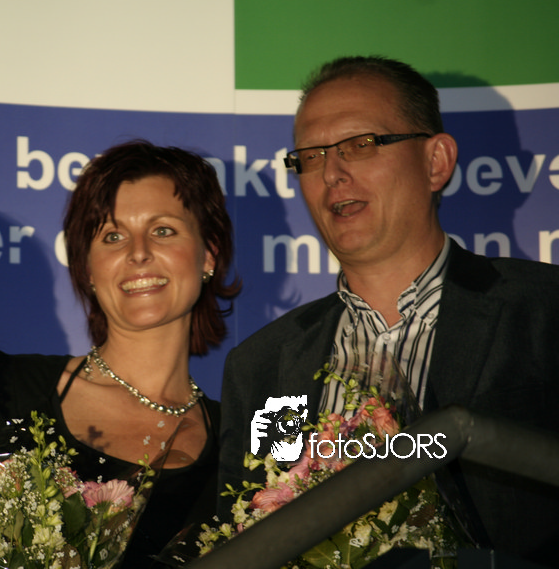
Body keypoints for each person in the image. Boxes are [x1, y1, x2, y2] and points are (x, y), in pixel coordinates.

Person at [219, 56, 559, 566]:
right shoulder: (263, 367)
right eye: (310, 156)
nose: (332, 173)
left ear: (435, 162)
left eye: (361, 144)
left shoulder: (543, 311)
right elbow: (245, 540)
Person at [0, 140, 239, 568]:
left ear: (208, 254)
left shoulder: (242, 446)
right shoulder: (4, 386)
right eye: (113, 236)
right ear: (88, 267)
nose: (138, 253)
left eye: (163, 230)